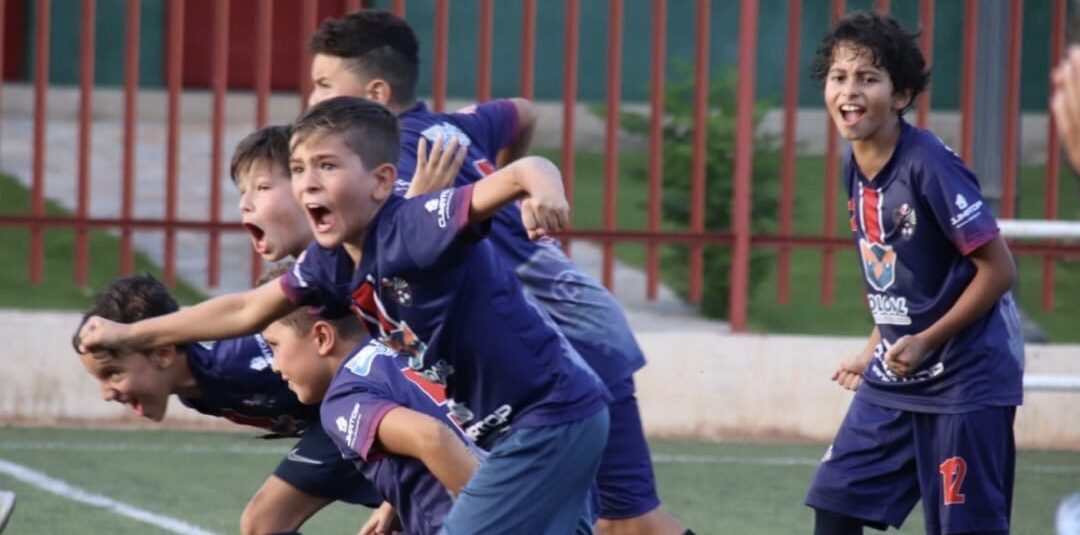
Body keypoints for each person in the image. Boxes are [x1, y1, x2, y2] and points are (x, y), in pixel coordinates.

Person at [78, 96, 609, 534]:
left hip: (547, 416)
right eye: (298, 169)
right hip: (515, 427)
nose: (307, 182)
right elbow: (246, 308)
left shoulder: (413, 227)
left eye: (327, 166)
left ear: (381, 181)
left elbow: (524, 170)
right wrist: (130, 334)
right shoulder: (331, 261)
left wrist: (545, 191)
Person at [306, 11, 690, 534]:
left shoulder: (399, 152)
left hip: (570, 342)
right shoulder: (453, 126)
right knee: (602, 520)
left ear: (375, 93)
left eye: (324, 85)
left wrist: (504, 195)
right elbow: (523, 112)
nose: (312, 101)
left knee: (627, 521)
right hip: (568, 330)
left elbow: (402, 241)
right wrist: (506, 196)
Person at [803, 11, 1024, 535]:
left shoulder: (929, 166)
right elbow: (903, 276)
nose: (849, 92)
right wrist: (874, 345)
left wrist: (925, 341)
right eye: (839, 77)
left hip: (966, 379)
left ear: (900, 96)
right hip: (896, 376)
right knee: (836, 504)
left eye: (868, 78)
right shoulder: (852, 166)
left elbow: (999, 271)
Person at [71, 274, 382, 535]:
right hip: (341, 423)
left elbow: (331, 343)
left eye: (113, 373)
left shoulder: (235, 357)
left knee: (264, 522)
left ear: (163, 353)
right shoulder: (193, 391)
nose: (106, 393)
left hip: (365, 406)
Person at [257, 263, 480, 535]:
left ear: (323, 337)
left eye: (274, 345)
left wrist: (492, 516)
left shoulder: (343, 397)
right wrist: (396, 502)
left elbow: (432, 437)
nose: (274, 365)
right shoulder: (401, 339)